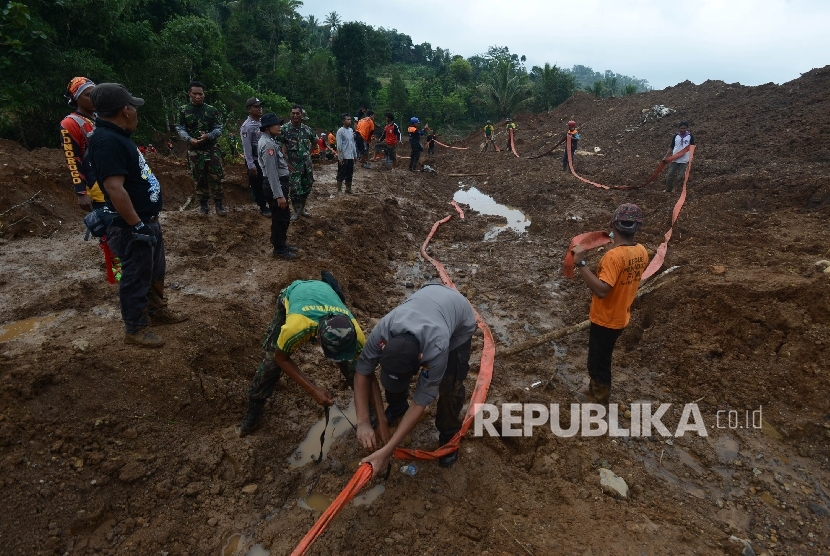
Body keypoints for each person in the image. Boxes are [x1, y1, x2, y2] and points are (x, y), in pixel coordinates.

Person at [87, 83, 188, 347]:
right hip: (131, 226)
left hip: (145, 221)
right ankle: (135, 327)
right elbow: (113, 187)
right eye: (133, 106)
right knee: (135, 275)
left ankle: (156, 310)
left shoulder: (116, 137)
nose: (135, 111)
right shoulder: (107, 141)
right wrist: (137, 225)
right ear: (125, 110)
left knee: (155, 270)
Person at [354, 284, 477, 476]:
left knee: (449, 385)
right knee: (395, 378)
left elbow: (422, 400)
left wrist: (387, 451)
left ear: (421, 360)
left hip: (458, 319)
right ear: (384, 348)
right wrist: (363, 422)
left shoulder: (437, 348)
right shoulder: (382, 331)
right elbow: (362, 370)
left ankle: (448, 436)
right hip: (427, 299)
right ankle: (397, 407)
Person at [239, 273, 366, 436]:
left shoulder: (354, 332)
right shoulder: (296, 327)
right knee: (271, 361)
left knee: (352, 364)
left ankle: (367, 407)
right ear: (317, 339)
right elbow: (281, 358)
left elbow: (365, 372)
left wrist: (370, 421)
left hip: (325, 293)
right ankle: (255, 408)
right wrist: (313, 390)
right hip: (296, 293)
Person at [570, 203, 649, 406]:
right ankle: (595, 386)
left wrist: (581, 263)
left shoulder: (613, 257)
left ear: (612, 225)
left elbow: (602, 290)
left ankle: (600, 396)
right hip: (621, 315)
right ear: (637, 227)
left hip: (606, 319)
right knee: (601, 357)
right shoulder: (641, 251)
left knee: (598, 362)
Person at [176, 81, 226, 216]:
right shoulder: (183, 110)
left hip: (211, 149)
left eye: (201, 94)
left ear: (204, 95)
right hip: (194, 151)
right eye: (195, 94)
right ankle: (203, 206)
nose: (198, 96)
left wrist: (209, 136)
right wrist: (188, 139)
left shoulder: (212, 110)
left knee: (216, 177)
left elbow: (219, 128)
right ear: (189, 94)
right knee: (199, 178)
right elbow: (180, 128)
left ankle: (219, 205)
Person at [59, 76, 104, 212]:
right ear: (76, 98)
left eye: (95, 94)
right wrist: (81, 192)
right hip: (97, 188)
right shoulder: (70, 123)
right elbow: (72, 159)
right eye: (88, 95)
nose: (93, 98)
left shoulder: (100, 118)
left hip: (116, 184)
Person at [257, 113, 296, 260]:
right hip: (276, 184)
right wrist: (279, 195)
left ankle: (280, 243)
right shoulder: (268, 145)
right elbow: (272, 172)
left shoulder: (269, 141)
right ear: (267, 128)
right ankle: (279, 249)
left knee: (281, 217)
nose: (279, 127)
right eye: (276, 124)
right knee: (281, 218)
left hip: (277, 184)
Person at [278, 104, 316, 221]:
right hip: (293, 166)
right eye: (293, 113)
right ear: (290, 114)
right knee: (294, 190)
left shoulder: (307, 129)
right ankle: (296, 211)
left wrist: (308, 153)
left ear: (301, 115)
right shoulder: (284, 129)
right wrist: (286, 162)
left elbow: (315, 141)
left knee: (306, 187)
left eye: (297, 113)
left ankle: (302, 209)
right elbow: (278, 146)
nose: (295, 115)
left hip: (306, 166)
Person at [240, 97, 271, 217]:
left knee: (267, 182)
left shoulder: (262, 122)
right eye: (256, 107)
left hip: (265, 158)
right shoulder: (247, 126)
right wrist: (250, 164)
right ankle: (263, 206)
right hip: (255, 160)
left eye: (260, 106)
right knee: (258, 184)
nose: (260, 109)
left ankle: (269, 203)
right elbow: (246, 147)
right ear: (249, 109)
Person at [665, 121, 694, 192]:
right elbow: (671, 147)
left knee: (680, 176)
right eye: (681, 128)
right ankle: (668, 189)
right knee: (670, 175)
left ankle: (675, 189)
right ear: (679, 128)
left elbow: (692, 147)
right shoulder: (676, 136)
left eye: (684, 128)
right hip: (675, 159)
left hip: (684, 160)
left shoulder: (690, 137)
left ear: (687, 128)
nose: (682, 130)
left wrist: (690, 158)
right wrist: (666, 156)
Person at [336, 113, 357, 194]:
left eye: (350, 119)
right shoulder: (340, 131)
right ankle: (339, 190)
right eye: (347, 119)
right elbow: (339, 146)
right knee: (341, 173)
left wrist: (355, 156)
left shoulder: (351, 130)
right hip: (344, 156)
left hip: (350, 156)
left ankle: (348, 188)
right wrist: (340, 157)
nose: (349, 121)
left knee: (349, 173)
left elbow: (353, 144)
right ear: (343, 121)